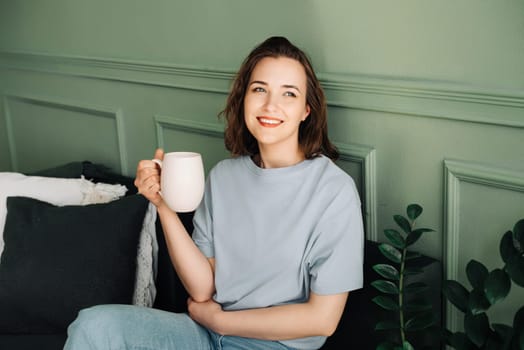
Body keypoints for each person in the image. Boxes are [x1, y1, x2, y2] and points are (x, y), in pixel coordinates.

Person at [64, 36, 364, 350]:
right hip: (203, 336)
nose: (270, 105)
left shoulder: (334, 191)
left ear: (306, 110)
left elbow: (322, 320)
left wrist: (220, 321)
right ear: (244, 99)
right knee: (93, 325)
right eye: (259, 89)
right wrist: (162, 205)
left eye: (288, 93)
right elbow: (203, 288)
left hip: (272, 344)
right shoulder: (223, 176)